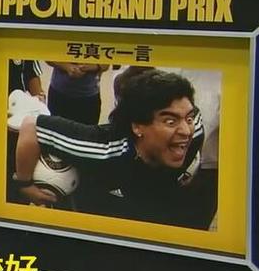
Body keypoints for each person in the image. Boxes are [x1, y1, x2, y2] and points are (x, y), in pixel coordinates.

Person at [13, 69, 215, 229]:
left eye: (188, 118)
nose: (185, 130)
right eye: (170, 121)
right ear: (137, 127)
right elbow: (31, 126)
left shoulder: (195, 132)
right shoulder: (101, 148)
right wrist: (24, 184)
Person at [44, 62, 109, 124]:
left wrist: (92, 66)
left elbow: (106, 65)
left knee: (87, 130)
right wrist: (67, 67)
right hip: (59, 94)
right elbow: (48, 58)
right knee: (56, 129)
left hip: (89, 97)